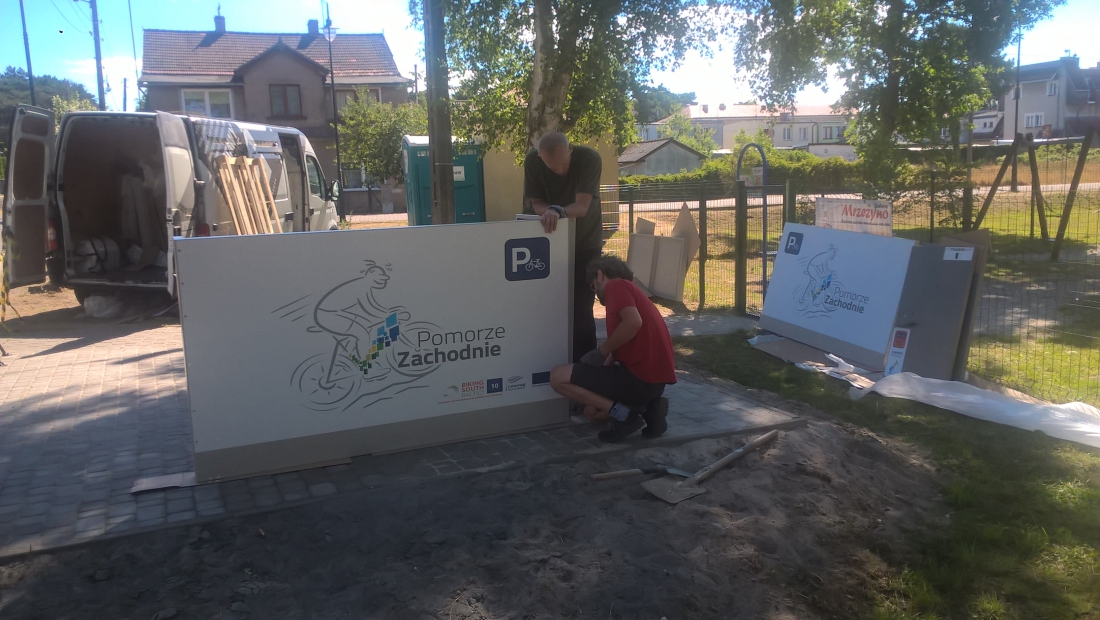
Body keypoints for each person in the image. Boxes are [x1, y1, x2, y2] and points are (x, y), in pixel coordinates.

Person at [548, 255, 676, 443]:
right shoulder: (633, 293)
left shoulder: (615, 286)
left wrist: (600, 352)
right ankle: (649, 409)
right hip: (653, 384)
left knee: (557, 377)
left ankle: (626, 416)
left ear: (600, 275)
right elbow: (622, 342)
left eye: (594, 286)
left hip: (638, 379)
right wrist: (599, 370)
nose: (597, 294)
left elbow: (633, 323)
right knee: (592, 413)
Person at [524, 131, 603, 363]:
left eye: (562, 165)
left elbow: (582, 207)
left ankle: (586, 365)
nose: (559, 171)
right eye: (552, 167)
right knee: (548, 306)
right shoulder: (532, 161)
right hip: (548, 244)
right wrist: (549, 211)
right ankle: (551, 362)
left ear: (570, 149)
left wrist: (557, 211)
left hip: (585, 243)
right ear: (540, 157)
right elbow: (536, 203)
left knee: (582, 309)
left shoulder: (589, 159)